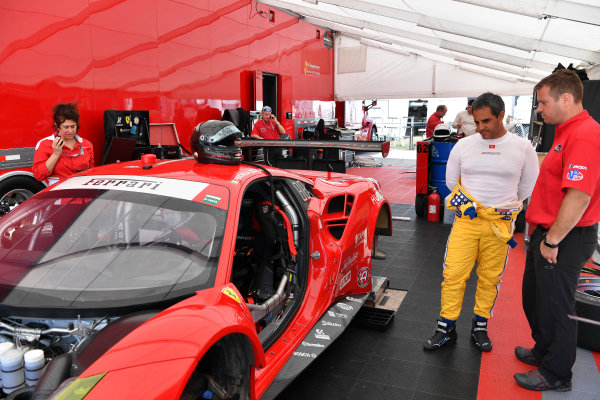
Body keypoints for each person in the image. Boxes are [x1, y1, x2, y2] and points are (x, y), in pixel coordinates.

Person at [423, 92, 539, 352]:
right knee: (453, 275)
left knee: (490, 278)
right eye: (476, 122)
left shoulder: (523, 148)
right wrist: (470, 207)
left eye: (486, 121)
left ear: (501, 116)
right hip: (466, 222)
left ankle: (480, 326)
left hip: (499, 226)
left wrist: (502, 209)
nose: (480, 128)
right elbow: (452, 182)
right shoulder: (464, 145)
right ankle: (446, 328)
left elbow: (527, 186)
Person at [514, 69, 600, 392]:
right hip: (548, 234)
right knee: (535, 300)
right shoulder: (565, 131)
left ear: (566, 99)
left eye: (543, 103)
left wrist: (551, 240)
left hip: (564, 237)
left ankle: (557, 373)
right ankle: (543, 350)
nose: (538, 109)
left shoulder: (586, 135)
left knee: (557, 307)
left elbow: (579, 196)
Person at [33, 103, 94, 186]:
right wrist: (55, 154)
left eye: (73, 126)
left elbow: (92, 173)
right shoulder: (45, 144)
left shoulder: (87, 145)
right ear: (57, 126)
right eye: (66, 127)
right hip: (59, 194)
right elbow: (38, 175)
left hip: (82, 193)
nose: (70, 131)